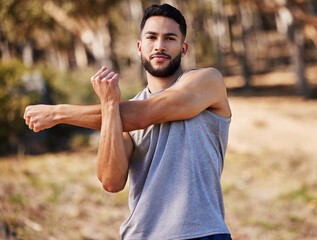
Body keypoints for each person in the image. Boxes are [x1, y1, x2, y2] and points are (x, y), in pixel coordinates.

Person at [24, 3, 232, 240]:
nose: (160, 46)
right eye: (152, 37)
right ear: (139, 47)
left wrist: (58, 113)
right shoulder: (121, 113)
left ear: (183, 49)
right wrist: (109, 106)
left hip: (203, 233)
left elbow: (143, 115)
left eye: (170, 38)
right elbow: (111, 182)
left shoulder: (208, 82)